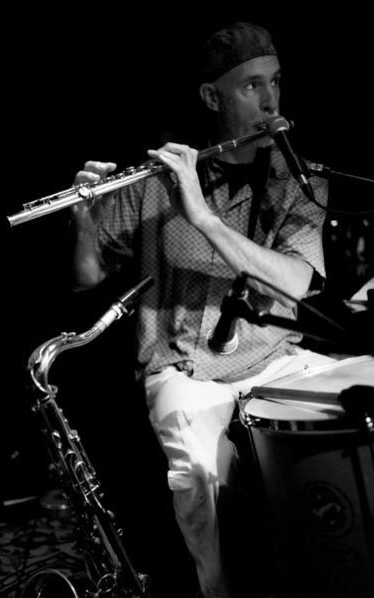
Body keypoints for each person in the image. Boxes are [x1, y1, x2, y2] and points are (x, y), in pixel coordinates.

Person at [68, 21, 337, 598]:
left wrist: (205, 219)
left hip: (279, 357)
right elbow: (86, 275)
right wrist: (84, 222)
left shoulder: (301, 179)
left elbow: (295, 282)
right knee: (202, 487)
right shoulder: (160, 178)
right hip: (186, 372)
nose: (270, 101)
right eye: (251, 88)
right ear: (213, 98)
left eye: (276, 83)